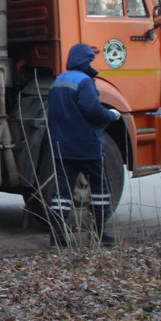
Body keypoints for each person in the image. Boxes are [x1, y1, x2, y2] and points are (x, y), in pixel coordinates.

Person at [46, 42, 121, 248]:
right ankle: (98, 233)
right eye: (91, 58)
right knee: (100, 189)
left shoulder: (58, 81)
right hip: (88, 147)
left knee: (61, 193)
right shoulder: (84, 81)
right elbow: (93, 111)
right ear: (85, 60)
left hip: (63, 147)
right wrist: (112, 115)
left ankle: (58, 239)